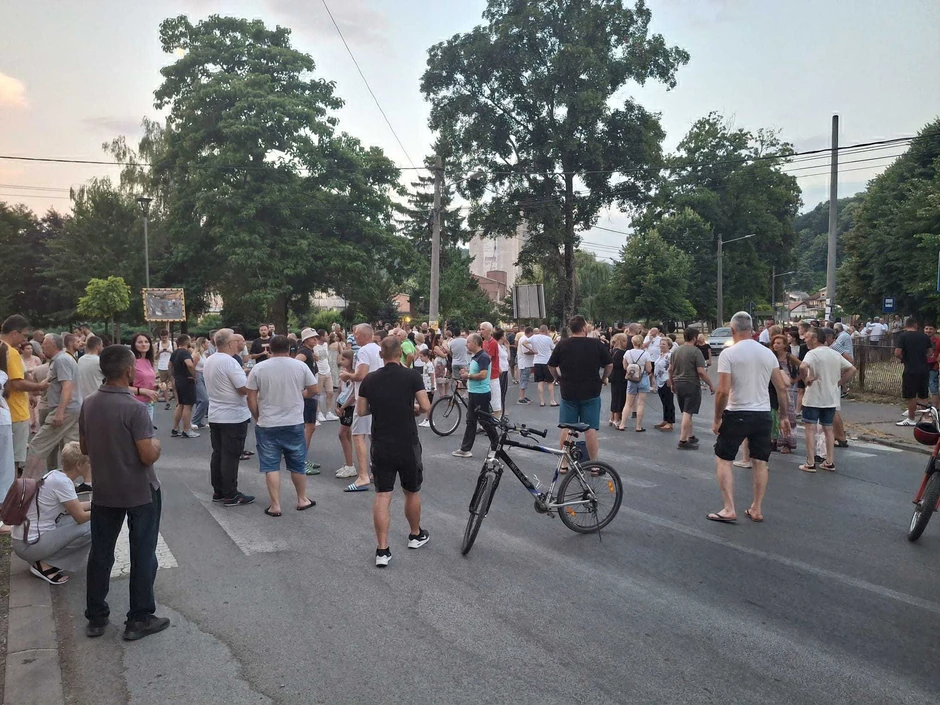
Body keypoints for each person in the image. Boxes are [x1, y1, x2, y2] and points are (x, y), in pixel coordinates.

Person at [80, 344, 169, 641]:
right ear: (130, 370)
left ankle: (96, 616)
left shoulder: (89, 403)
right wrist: (157, 445)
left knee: (101, 553)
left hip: (105, 489)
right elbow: (147, 455)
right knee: (143, 553)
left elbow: (84, 448)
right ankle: (139, 617)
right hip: (139, 489)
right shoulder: (135, 407)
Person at [709, 312, 791, 524]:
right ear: (753, 330)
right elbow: (781, 388)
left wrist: (717, 418)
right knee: (760, 461)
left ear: (732, 330)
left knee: (724, 459)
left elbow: (723, 391)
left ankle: (729, 508)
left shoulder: (729, 354)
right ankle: (756, 508)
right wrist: (783, 417)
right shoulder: (767, 354)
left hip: (737, 412)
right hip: (763, 413)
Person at [357, 336, 431, 567]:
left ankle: (382, 549)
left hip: (381, 442)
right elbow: (426, 406)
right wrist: (413, 408)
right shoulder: (411, 376)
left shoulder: (369, 379)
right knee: (411, 491)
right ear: (400, 353)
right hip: (407, 442)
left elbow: (361, 411)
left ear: (381, 355)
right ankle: (415, 534)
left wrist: (381, 406)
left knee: (382, 494)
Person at [246, 335, 317, 516]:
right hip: (293, 421)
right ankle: (302, 499)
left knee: (271, 465)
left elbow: (251, 396)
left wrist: (257, 415)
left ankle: (275, 505)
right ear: (290, 349)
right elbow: (314, 389)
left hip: (268, 422)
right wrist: (300, 395)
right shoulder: (300, 366)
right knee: (297, 463)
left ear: (269, 348)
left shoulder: (259, 368)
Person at [11, 442, 92, 585]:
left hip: (24, 540)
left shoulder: (55, 475)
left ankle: (43, 561)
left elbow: (73, 508)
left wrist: (97, 506)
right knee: (92, 527)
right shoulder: (64, 484)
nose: (91, 465)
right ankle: (45, 565)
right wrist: (106, 510)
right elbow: (80, 517)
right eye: (89, 462)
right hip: (29, 545)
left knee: (77, 522)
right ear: (79, 465)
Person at [546, 315, 612, 460]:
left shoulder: (562, 344)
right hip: (591, 391)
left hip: (568, 390)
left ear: (571, 328)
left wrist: (558, 378)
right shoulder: (596, 344)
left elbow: (551, 365)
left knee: (566, 427)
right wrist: (604, 378)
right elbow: (609, 364)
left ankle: (563, 463)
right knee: (590, 428)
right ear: (583, 328)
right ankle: (594, 463)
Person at [204, 329, 256, 507]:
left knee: (218, 453)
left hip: (216, 413)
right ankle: (231, 494)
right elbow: (243, 388)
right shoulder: (230, 362)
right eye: (235, 340)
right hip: (233, 415)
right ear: (229, 344)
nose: (238, 344)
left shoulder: (211, 360)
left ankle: (218, 490)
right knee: (231, 456)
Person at [799, 328, 856, 471]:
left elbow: (802, 366)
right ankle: (829, 461)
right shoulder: (834, 354)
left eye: (807, 337)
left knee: (810, 429)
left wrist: (805, 378)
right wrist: (839, 383)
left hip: (813, 397)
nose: (804, 340)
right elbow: (852, 369)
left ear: (815, 339)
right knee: (828, 430)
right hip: (830, 397)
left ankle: (810, 462)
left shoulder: (812, 354)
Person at [0, 316, 49, 474]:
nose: (24, 340)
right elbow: (16, 383)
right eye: (24, 335)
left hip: (6, 409)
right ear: (14, 333)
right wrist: (39, 386)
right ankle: (11, 497)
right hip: (15, 412)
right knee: (12, 462)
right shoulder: (11, 352)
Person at [28, 334, 82, 472]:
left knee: (38, 443)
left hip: (66, 409)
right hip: (72, 408)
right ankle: (77, 481)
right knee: (71, 447)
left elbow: (67, 387)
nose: (41, 346)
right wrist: (32, 390)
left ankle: (25, 482)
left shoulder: (61, 361)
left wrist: (60, 412)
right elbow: (46, 383)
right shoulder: (60, 360)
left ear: (53, 345)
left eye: (44, 343)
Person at [340, 324, 384, 492]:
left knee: (358, 435)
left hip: (365, 398)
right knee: (374, 436)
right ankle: (376, 470)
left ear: (364, 335)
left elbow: (362, 375)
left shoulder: (364, 351)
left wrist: (348, 375)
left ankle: (363, 476)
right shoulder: (378, 350)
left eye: (357, 334)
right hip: (378, 396)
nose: (354, 336)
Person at [452, 334, 499, 459]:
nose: (466, 344)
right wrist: (467, 373)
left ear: (475, 343)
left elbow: (483, 375)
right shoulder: (476, 357)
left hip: (481, 394)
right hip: (474, 392)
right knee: (471, 421)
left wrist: (468, 376)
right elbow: (476, 373)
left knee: (485, 421)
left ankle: (496, 446)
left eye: (468, 342)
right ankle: (465, 449)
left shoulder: (483, 357)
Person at [670, 328, 714, 450]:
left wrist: (672, 382)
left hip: (678, 382)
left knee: (686, 411)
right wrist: (710, 384)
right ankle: (683, 440)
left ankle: (691, 435)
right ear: (694, 338)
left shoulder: (676, 351)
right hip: (691, 383)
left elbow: (670, 369)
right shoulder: (696, 351)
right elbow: (701, 371)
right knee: (688, 412)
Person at [294, 328, 323, 475]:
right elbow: (295, 364)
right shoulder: (304, 352)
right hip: (308, 394)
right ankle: (301, 461)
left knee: (310, 427)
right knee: (308, 428)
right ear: (305, 340)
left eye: (316, 337)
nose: (315, 339)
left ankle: (303, 459)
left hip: (311, 394)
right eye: (312, 338)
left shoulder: (308, 351)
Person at [895, 317, 933, 427]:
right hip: (924, 369)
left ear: (906, 325)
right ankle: (925, 418)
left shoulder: (902, 336)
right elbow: (930, 352)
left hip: (910, 369)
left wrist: (904, 359)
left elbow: (897, 353)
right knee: (923, 395)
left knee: (911, 395)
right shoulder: (924, 336)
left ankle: (911, 418)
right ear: (916, 325)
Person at [770, 334, 799, 454]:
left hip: (787, 388)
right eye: (774, 343)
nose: (776, 345)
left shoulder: (788, 356)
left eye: (779, 343)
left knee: (788, 414)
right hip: (774, 388)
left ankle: (788, 443)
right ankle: (775, 440)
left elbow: (802, 366)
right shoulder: (771, 356)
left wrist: (795, 380)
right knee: (775, 414)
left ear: (784, 345)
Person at [618, 335, 652, 432]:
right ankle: (638, 426)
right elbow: (649, 369)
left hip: (631, 378)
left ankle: (622, 424)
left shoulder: (628, 353)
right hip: (643, 378)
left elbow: (625, 366)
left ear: (632, 342)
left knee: (628, 403)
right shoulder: (646, 354)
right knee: (640, 403)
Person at [169, 335, 199, 438]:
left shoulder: (175, 352)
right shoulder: (185, 352)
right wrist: (194, 376)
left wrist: (173, 376)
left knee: (180, 404)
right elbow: (189, 364)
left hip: (178, 380)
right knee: (188, 406)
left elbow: (170, 365)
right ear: (187, 342)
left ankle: (175, 428)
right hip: (187, 380)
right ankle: (187, 430)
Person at [334, 349, 357, 478]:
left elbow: (354, 394)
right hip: (342, 404)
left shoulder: (354, 375)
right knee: (346, 434)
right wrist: (337, 404)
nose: (341, 362)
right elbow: (341, 389)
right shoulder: (343, 374)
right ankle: (348, 463)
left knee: (342, 434)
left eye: (344, 359)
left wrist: (343, 407)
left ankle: (350, 466)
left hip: (349, 406)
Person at [130, 333, 160, 423]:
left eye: (146, 342)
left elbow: (145, 382)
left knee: (148, 433)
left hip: (149, 403)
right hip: (135, 403)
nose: (144, 344)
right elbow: (122, 387)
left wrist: (157, 386)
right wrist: (144, 391)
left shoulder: (148, 361)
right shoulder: (132, 362)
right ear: (134, 345)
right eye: (140, 342)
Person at [528, 325, 557, 407]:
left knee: (540, 382)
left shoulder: (534, 337)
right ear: (546, 330)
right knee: (550, 382)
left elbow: (524, 343)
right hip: (546, 362)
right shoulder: (548, 339)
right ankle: (552, 401)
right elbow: (553, 348)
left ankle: (542, 401)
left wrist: (532, 350)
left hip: (537, 361)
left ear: (540, 330)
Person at [480, 323, 502, 418]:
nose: (481, 331)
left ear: (489, 331)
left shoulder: (493, 343)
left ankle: (496, 421)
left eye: (483, 329)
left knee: (495, 399)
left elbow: (487, 358)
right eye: (480, 329)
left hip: (492, 374)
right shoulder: (483, 342)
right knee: (486, 400)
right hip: (486, 374)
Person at [314, 329, 337, 422]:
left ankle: (328, 412)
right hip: (319, 372)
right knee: (318, 394)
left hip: (327, 371)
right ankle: (319, 413)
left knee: (330, 392)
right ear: (321, 336)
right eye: (326, 335)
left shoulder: (325, 345)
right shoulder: (315, 346)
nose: (328, 336)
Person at [653, 338, 675, 432]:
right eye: (661, 344)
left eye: (664, 344)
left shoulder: (670, 356)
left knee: (669, 401)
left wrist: (670, 379)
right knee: (664, 401)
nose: (661, 346)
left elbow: (672, 368)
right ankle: (665, 420)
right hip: (659, 380)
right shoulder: (661, 355)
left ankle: (670, 422)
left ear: (669, 346)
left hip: (666, 380)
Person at [608, 333, 628, 427]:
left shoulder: (613, 351)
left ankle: (612, 417)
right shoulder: (621, 353)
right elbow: (619, 365)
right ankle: (617, 418)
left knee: (614, 397)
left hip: (613, 376)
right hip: (620, 377)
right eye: (625, 341)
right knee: (620, 398)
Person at [190, 337, 210, 430]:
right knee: (204, 399)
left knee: (200, 400)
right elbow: (191, 367)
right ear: (202, 344)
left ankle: (199, 421)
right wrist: (193, 377)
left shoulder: (203, 354)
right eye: (207, 342)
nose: (208, 344)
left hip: (203, 376)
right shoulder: (196, 355)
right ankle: (194, 420)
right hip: (198, 375)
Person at [76, 336, 103, 401]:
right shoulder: (99, 361)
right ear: (97, 346)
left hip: (82, 397)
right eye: (102, 345)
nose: (102, 348)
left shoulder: (80, 360)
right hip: (97, 396)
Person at [154, 330, 175, 409]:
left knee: (174, 384)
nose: (164, 339)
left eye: (165, 337)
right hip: (162, 366)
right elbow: (155, 357)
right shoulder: (157, 344)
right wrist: (160, 352)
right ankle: (167, 402)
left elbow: (175, 354)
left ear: (168, 336)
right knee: (164, 385)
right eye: (162, 337)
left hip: (171, 366)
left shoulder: (172, 343)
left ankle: (178, 401)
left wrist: (169, 351)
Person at [516, 326, 535, 404]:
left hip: (526, 362)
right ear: (530, 332)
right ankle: (521, 397)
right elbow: (525, 351)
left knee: (525, 379)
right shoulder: (524, 339)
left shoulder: (523, 339)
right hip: (525, 363)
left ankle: (523, 396)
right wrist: (534, 352)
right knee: (524, 379)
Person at [417, 349, 436, 428]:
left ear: (426, 356)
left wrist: (432, 386)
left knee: (429, 404)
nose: (420, 358)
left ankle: (430, 419)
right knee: (427, 402)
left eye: (421, 356)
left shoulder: (429, 365)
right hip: (426, 386)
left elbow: (432, 376)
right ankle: (427, 419)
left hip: (429, 387)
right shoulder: (426, 364)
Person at [495, 328, 510, 412]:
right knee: (500, 390)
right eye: (504, 335)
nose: (506, 337)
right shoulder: (496, 346)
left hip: (505, 369)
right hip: (500, 370)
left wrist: (507, 347)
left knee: (504, 390)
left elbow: (508, 357)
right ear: (501, 337)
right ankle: (500, 409)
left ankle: (502, 408)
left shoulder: (502, 346)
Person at [925, 324, 940, 409]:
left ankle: (934, 407)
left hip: (933, 366)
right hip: (922, 366)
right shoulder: (920, 340)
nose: (928, 330)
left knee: (933, 386)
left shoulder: (937, 341)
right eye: (926, 328)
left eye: (931, 329)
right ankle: (922, 407)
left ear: (935, 330)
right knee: (921, 387)